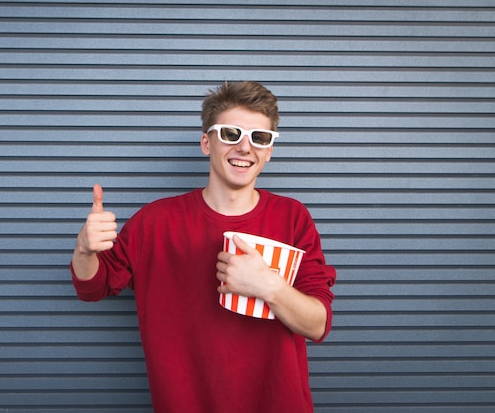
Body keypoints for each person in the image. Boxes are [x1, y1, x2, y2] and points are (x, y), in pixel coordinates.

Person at [70, 81, 336, 412]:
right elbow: (94, 286)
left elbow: (318, 324)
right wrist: (85, 250)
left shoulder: (294, 218)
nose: (245, 147)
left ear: (269, 150)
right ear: (206, 143)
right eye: (230, 134)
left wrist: (270, 287)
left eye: (259, 138)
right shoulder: (154, 222)